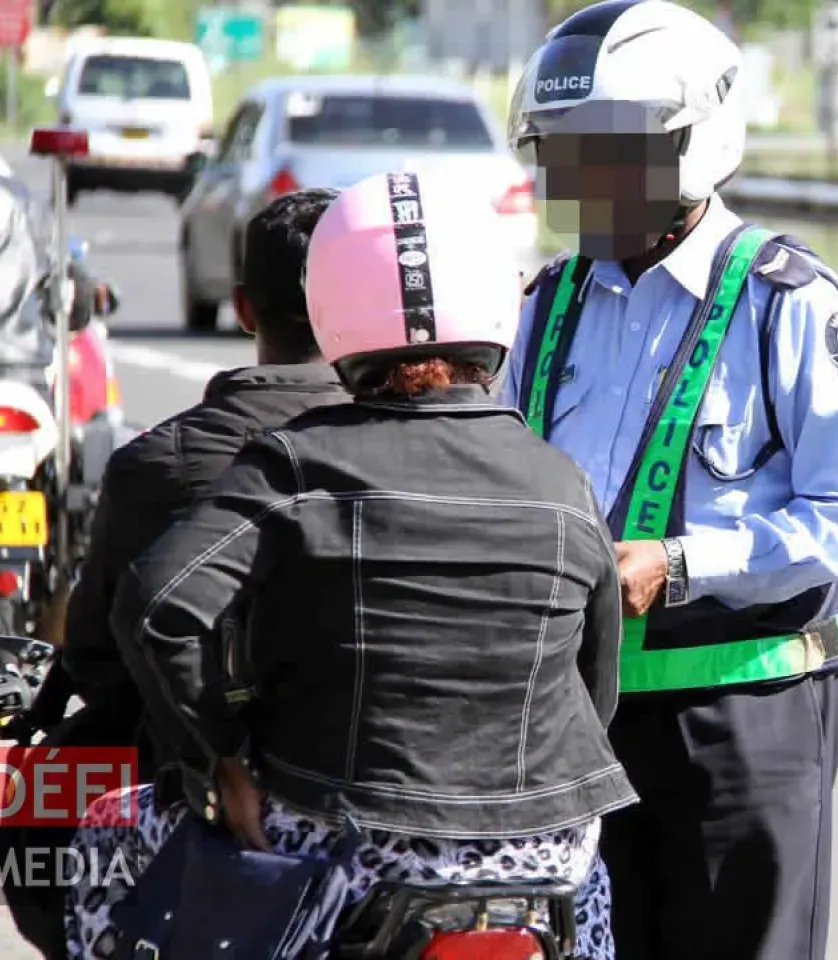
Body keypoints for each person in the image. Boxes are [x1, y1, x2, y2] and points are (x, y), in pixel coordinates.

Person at [66, 170, 638, 960]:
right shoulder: (561, 480)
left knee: (105, 835)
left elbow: (159, 605)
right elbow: (595, 684)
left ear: (330, 305)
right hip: (544, 869)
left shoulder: (297, 465)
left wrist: (220, 755)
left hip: (347, 854)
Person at [500, 2, 838, 957]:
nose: (576, 181)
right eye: (560, 154)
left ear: (690, 144)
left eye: (602, 155)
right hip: (578, 723)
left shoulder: (785, 302)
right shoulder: (546, 304)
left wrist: (678, 564)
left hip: (743, 723)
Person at [0, 189, 345, 960]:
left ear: (245, 308)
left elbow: (99, 658)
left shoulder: (153, 466)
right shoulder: (443, 459)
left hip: (192, 812)